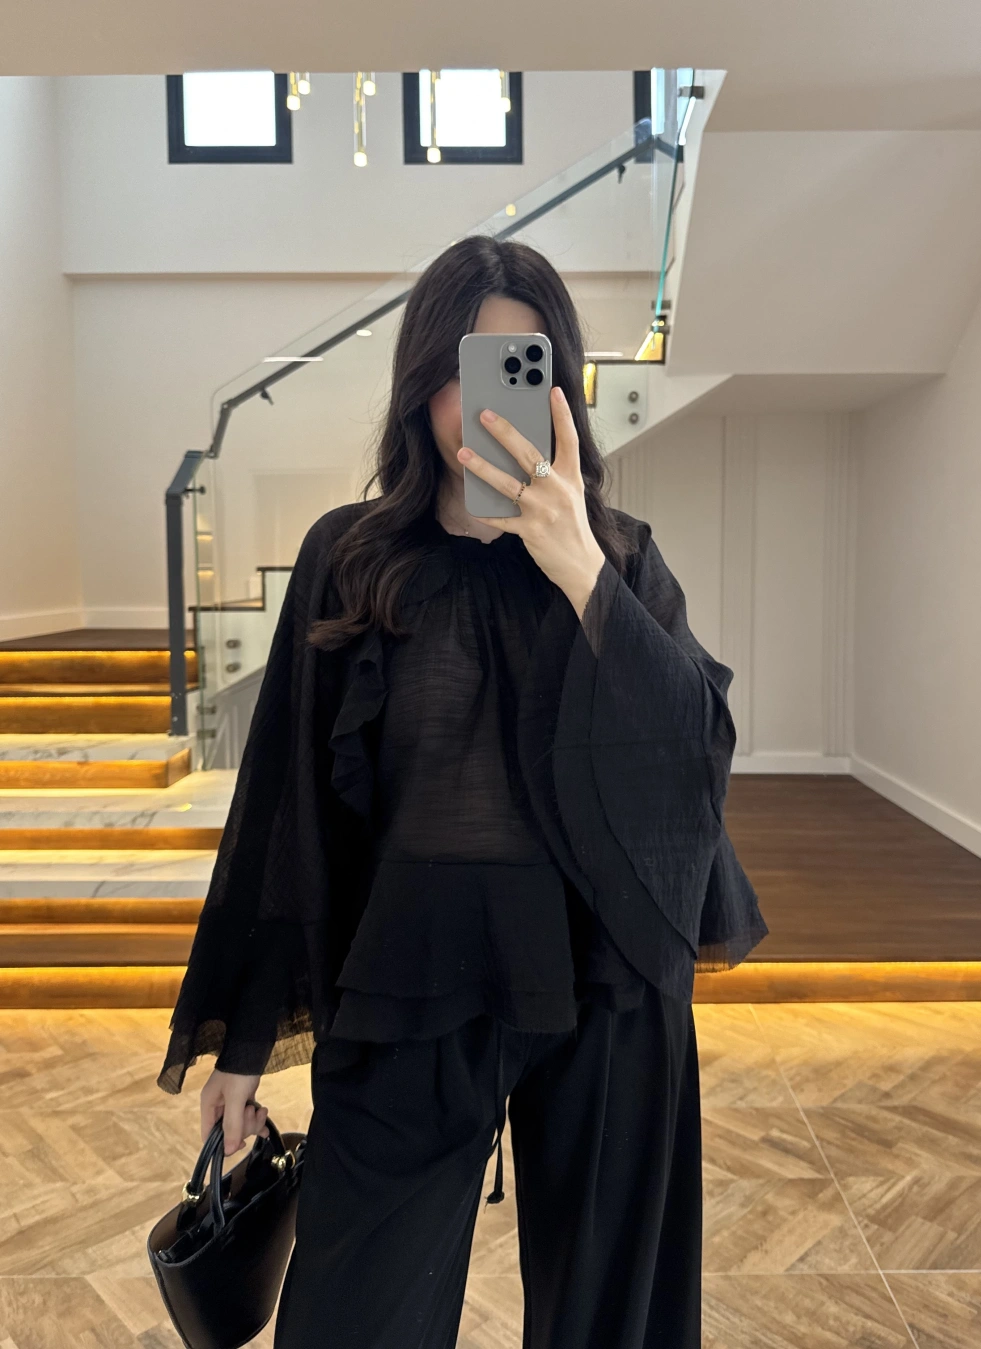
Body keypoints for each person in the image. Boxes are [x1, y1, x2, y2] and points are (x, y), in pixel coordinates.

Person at [155, 235, 766, 1348]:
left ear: (559, 387)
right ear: (419, 380)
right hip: (411, 977)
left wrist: (580, 569)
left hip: (604, 978)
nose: (478, 404)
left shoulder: (619, 557)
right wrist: (243, 1036)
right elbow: (287, 806)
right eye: (458, 369)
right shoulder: (350, 558)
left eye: (516, 369)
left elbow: (695, 754)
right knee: (354, 1315)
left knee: (611, 1320)